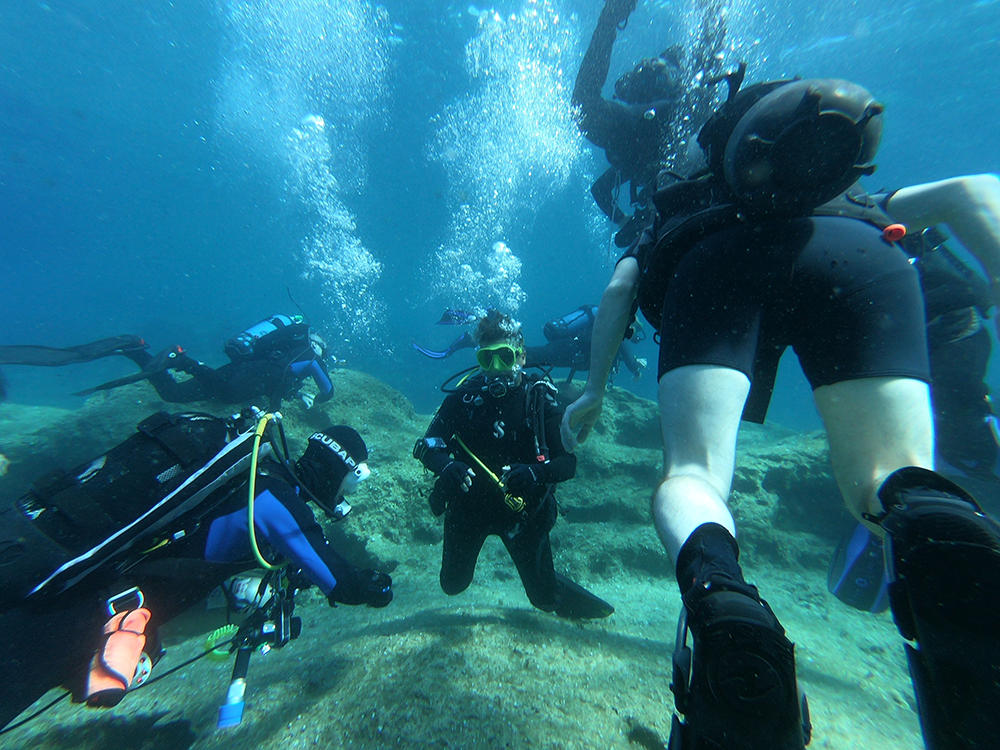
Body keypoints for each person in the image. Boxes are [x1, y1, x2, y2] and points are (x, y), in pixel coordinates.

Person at [562, 73, 1000, 750]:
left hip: (714, 268)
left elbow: (623, 283)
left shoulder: (682, 199)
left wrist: (592, 391)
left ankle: (722, 597)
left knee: (697, 474)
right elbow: (974, 192)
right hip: (862, 253)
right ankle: (940, 538)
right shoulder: (845, 187)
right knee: (890, 477)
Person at [0, 412, 393, 730]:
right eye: (354, 480)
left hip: (77, 582)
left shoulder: (254, 473)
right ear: (342, 472)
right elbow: (341, 583)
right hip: (77, 610)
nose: (345, 496)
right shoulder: (276, 500)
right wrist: (378, 588)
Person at [413, 310, 613, 620]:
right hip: (468, 509)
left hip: (522, 513)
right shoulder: (463, 397)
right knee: (452, 585)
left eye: (504, 357)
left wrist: (536, 473)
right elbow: (426, 446)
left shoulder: (540, 400)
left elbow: (567, 464)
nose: (495, 369)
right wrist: (444, 467)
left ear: (520, 356)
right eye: (486, 359)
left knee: (545, 600)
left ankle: (551, 587)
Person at [572, 0, 683, 247]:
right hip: (641, 131)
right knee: (582, 108)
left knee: (582, 107)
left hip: (640, 129)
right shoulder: (636, 160)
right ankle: (610, 18)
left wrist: (626, 221)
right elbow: (599, 190)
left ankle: (610, 19)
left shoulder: (635, 160)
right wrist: (628, 222)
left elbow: (600, 190)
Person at [80, 315, 336, 410]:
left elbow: (278, 381)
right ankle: (182, 360)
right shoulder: (311, 357)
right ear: (320, 347)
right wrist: (317, 400)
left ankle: (135, 349)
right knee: (226, 394)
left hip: (240, 369)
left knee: (173, 393)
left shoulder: (282, 351)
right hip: (245, 382)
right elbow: (328, 390)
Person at [414, 305, 647, 385]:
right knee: (524, 357)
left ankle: (482, 329)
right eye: (638, 332)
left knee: (526, 357)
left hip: (570, 352)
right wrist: (635, 368)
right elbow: (624, 350)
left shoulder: (611, 329)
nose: (636, 337)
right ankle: (479, 330)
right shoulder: (619, 331)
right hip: (569, 350)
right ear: (633, 322)